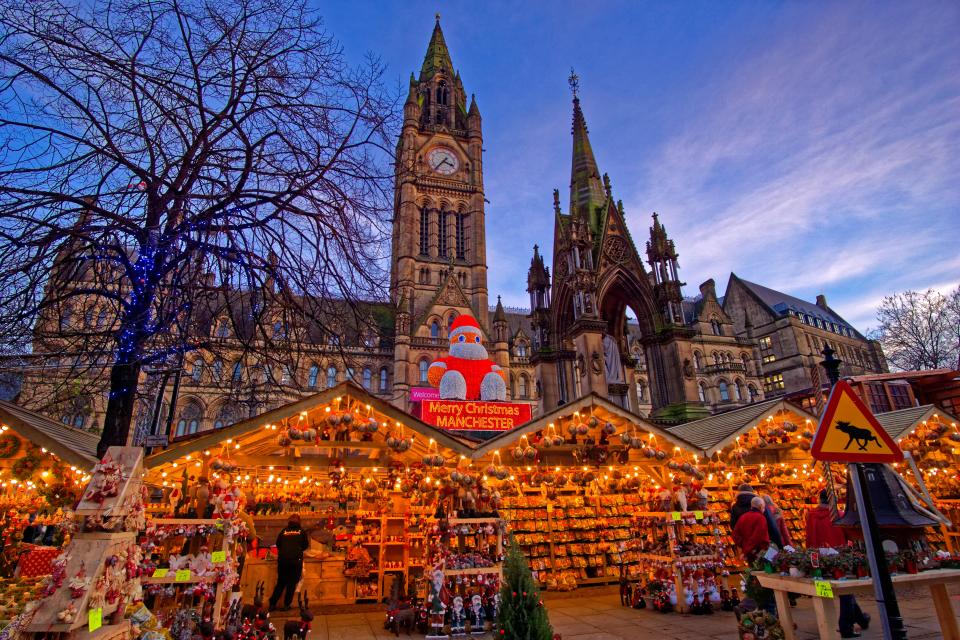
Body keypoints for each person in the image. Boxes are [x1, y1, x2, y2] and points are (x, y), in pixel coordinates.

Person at [805, 490, 870, 639]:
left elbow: (809, 537)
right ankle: (845, 627)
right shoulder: (839, 515)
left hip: (820, 559)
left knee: (827, 592)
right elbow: (849, 536)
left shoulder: (811, 516)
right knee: (846, 592)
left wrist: (810, 556)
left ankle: (852, 620)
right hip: (839, 557)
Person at [269, 514, 310, 611]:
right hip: (295, 561)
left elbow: (278, 544)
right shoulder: (302, 532)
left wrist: (285, 552)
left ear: (289, 522)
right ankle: (286, 605)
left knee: (281, 583)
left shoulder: (284, 531)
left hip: (283, 560)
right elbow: (305, 545)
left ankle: (272, 604)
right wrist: (297, 550)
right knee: (291, 583)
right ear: (299, 522)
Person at [732, 496, 770, 564]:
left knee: (751, 571)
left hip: (749, 553)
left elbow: (735, 534)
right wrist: (747, 549)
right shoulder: (761, 518)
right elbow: (757, 537)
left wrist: (743, 544)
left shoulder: (743, 517)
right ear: (761, 506)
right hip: (759, 552)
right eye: (764, 507)